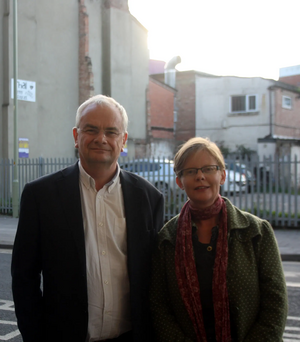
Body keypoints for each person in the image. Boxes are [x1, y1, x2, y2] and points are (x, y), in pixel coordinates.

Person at [11, 95, 164, 342]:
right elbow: (23, 277)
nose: (101, 139)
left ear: (123, 140)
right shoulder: (40, 196)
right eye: (91, 129)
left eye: (111, 132)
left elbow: (156, 278)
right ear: (76, 136)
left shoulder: (149, 197)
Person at [150, 137, 288, 342]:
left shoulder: (257, 232)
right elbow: (159, 307)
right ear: (179, 181)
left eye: (208, 168)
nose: (200, 176)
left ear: (222, 175)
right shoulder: (166, 239)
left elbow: (275, 305)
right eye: (190, 171)